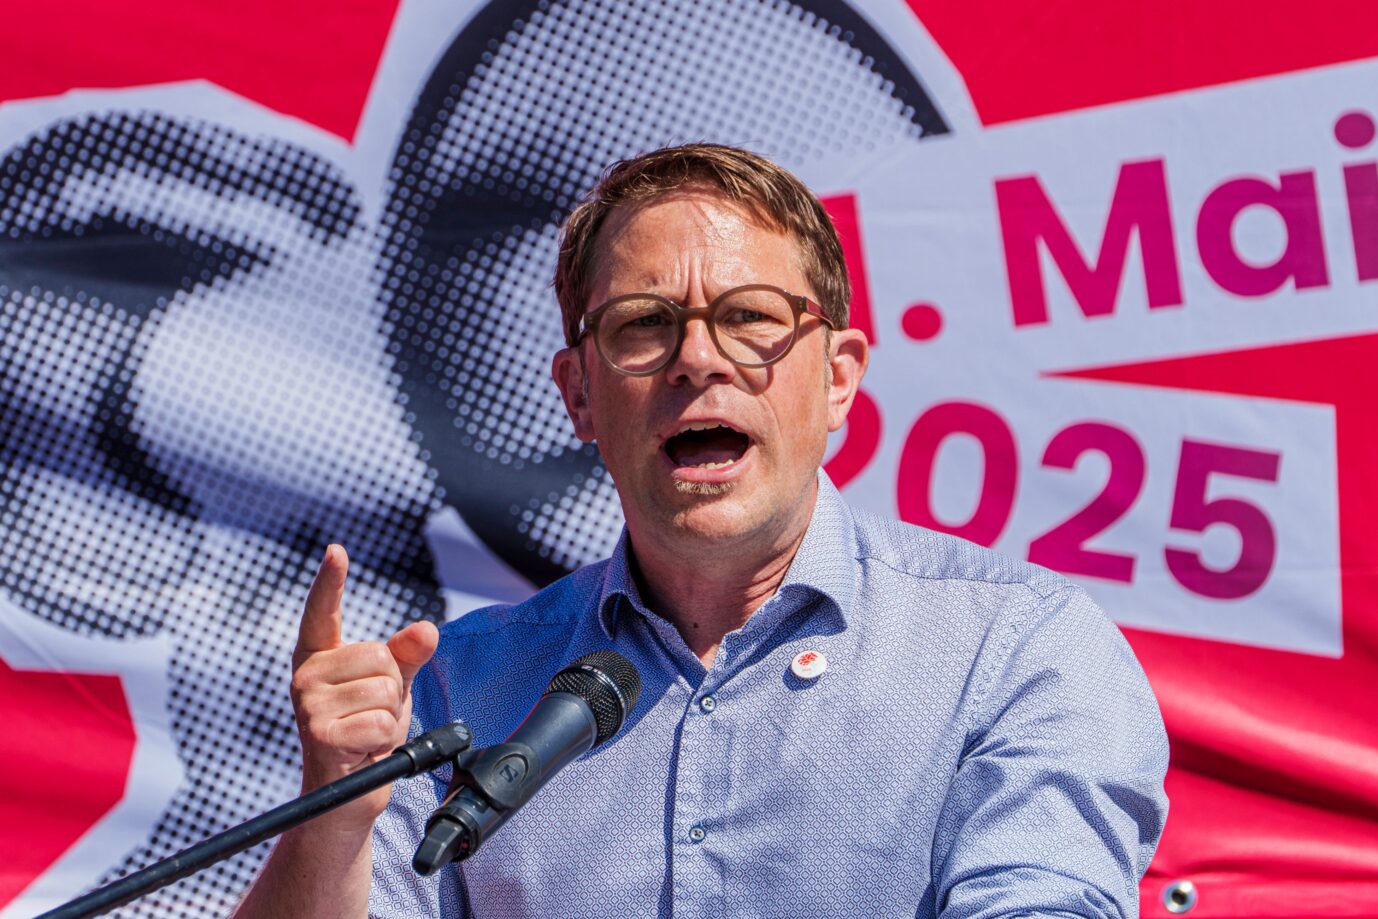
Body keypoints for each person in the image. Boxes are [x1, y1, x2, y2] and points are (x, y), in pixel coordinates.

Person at [235, 144, 1168, 919]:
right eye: (644, 325)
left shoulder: (1020, 651)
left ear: (839, 375)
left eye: (750, 317)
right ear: (578, 396)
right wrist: (334, 819)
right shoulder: (457, 687)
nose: (695, 358)